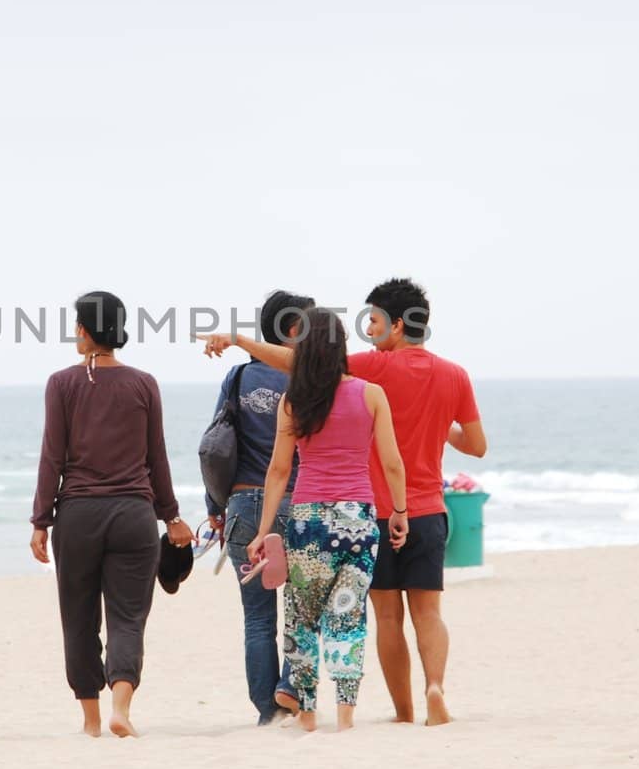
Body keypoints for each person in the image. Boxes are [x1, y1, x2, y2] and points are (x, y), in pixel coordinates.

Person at [205, 277, 486, 726]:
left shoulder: (370, 370)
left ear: (396, 326)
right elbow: (475, 445)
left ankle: (401, 711)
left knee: (380, 616)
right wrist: (437, 426)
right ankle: (432, 687)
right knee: (424, 612)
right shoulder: (453, 375)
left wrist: (239, 340)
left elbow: (299, 362)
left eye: (373, 320)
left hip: (362, 511)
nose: (369, 328)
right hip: (422, 511)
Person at [32, 290, 194, 738]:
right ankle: (121, 708)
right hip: (134, 515)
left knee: (79, 617)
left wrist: (40, 520)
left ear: (84, 329)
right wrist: (172, 516)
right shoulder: (144, 383)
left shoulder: (61, 384)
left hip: (78, 516)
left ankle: (90, 721)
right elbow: (156, 457)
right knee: (128, 616)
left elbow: (52, 457)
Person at [250, 307, 406, 731]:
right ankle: (346, 716)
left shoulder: (293, 401)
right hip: (358, 519)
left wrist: (264, 530)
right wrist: (400, 511)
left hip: (309, 521)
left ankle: (307, 715)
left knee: (302, 616)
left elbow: (279, 470)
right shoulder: (371, 394)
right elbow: (392, 462)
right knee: (348, 615)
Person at [205, 289, 315, 725]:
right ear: (292, 329)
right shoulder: (307, 379)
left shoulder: (236, 378)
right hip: (296, 503)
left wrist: (215, 507)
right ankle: (290, 686)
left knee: (256, 616)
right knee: (304, 607)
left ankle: (268, 712)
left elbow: (217, 445)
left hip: (242, 505)